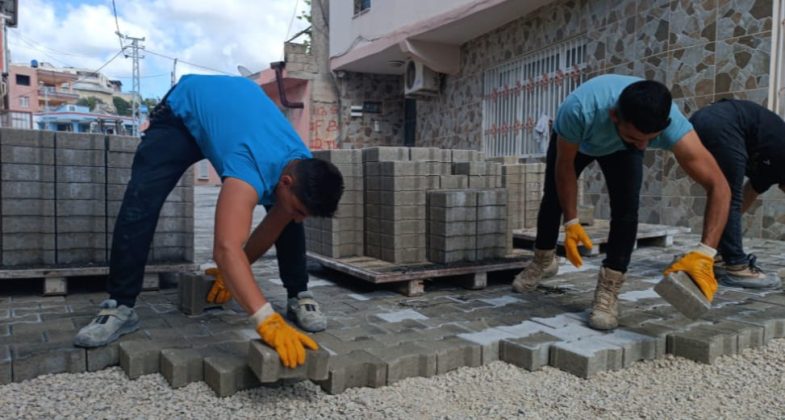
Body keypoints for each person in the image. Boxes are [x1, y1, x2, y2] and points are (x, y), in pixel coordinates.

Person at [74, 74, 344, 369]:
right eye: (299, 208)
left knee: (289, 217)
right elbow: (226, 248)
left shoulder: (301, 162)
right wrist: (266, 318)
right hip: (183, 111)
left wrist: (232, 275)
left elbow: (273, 224)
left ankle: (298, 293)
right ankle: (120, 305)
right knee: (141, 203)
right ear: (286, 181)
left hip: (235, 115)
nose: (300, 217)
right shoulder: (248, 167)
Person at [512, 74, 730, 330]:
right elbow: (564, 168)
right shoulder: (580, 109)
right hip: (580, 141)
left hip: (619, 150)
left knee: (626, 210)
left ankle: (608, 290)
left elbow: (719, 186)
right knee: (553, 199)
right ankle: (543, 260)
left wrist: (706, 252)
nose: (643, 146)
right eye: (636, 137)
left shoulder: (670, 127)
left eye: (650, 139)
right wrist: (571, 221)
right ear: (615, 116)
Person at [689, 99, 784, 289]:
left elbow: (748, 195)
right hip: (723, 124)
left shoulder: (774, 169)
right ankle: (736, 266)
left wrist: (725, 230)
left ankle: (716, 256)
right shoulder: (782, 159)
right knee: (728, 194)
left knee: (725, 194)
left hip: (705, 120)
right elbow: (734, 201)